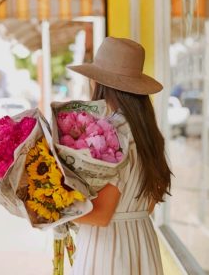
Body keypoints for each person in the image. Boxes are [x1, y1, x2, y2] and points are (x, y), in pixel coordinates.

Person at [67, 37, 172, 275]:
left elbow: (101, 214)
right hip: (141, 240)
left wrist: (54, 211)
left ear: (100, 83)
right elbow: (149, 201)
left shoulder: (110, 133)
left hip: (108, 250)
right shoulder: (148, 134)